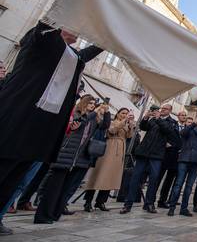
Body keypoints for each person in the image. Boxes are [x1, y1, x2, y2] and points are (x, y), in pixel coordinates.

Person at [0, 23, 102, 213]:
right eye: (72, 24)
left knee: (13, 180)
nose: (78, 31)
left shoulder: (71, 55)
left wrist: (107, 39)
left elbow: (85, 55)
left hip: (40, 130)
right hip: (18, 117)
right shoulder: (42, 40)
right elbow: (44, 26)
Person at [35, 96, 109, 223]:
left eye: (94, 104)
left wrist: (106, 112)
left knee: (67, 188)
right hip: (66, 154)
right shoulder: (77, 114)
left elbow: (104, 125)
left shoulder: (93, 119)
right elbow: (80, 122)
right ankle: (43, 215)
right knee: (54, 187)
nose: (92, 105)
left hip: (80, 158)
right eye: (90, 103)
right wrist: (94, 113)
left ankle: (55, 213)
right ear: (84, 104)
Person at [120, 104, 180, 214]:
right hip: (144, 152)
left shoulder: (172, 122)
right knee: (135, 178)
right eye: (162, 108)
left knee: (154, 179)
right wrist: (146, 117)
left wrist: (158, 119)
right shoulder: (153, 119)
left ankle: (149, 204)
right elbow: (143, 127)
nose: (162, 110)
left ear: (170, 111)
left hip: (157, 154)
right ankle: (128, 204)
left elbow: (168, 131)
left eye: (165, 109)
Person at [84, 107, 134, 212]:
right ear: (117, 114)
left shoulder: (126, 124)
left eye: (126, 113)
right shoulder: (112, 122)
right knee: (99, 175)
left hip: (119, 152)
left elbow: (129, 136)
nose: (124, 115)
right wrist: (124, 121)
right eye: (122, 113)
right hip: (109, 149)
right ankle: (88, 201)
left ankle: (101, 201)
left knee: (110, 177)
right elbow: (112, 130)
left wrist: (130, 125)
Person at [167, 115, 197, 217]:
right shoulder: (190, 129)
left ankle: (184, 208)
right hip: (185, 159)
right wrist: (194, 123)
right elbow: (182, 133)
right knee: (178, 184)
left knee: (189, 186)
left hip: (196, 162)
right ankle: (172, 207)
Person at [157, 109, 182, 209]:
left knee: (169, 181)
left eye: (185, 115)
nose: (184, 116)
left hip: (176, 157)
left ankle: (162, 200)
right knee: (158, 177)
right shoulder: (173, 123)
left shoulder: (186, 128)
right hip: (166, 154)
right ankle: (151, 199)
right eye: (182, 115)